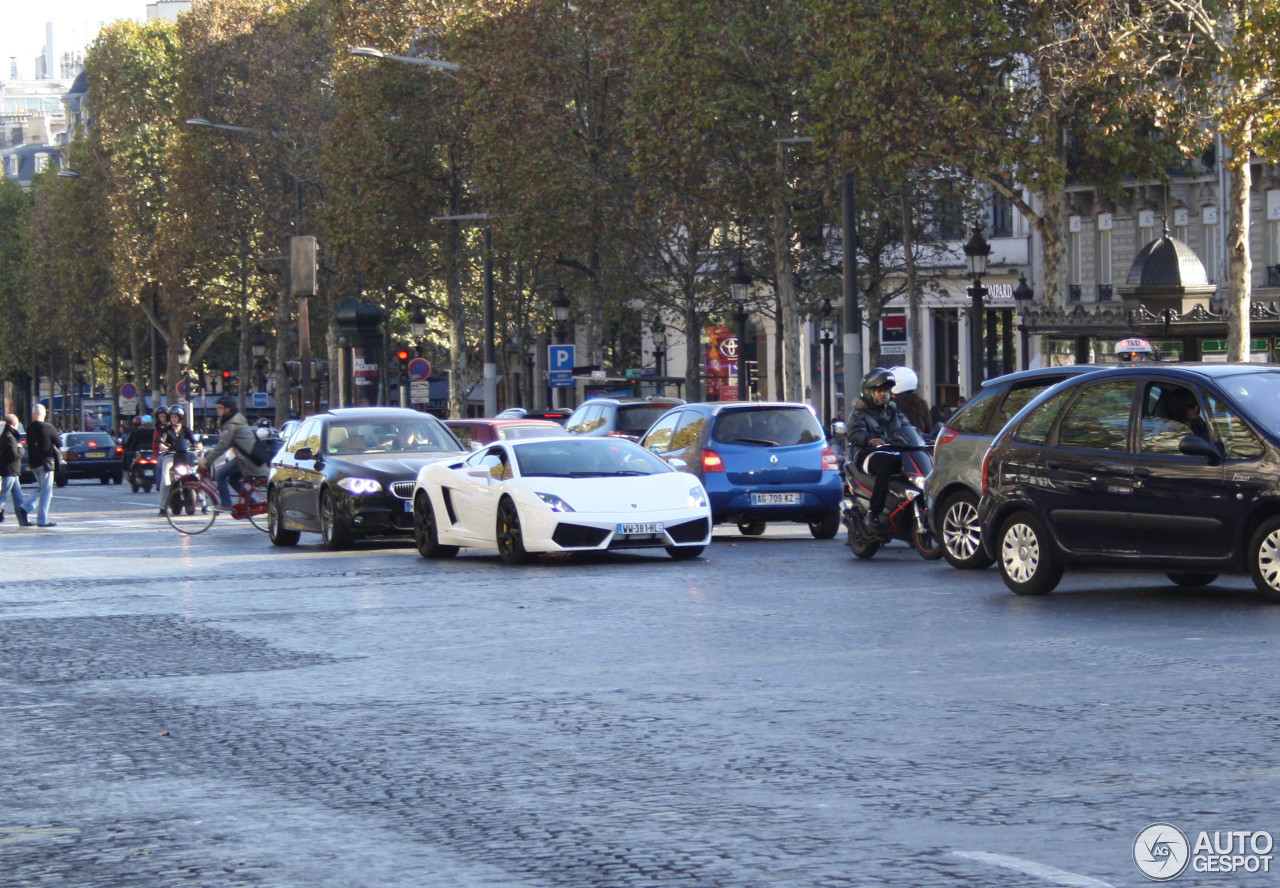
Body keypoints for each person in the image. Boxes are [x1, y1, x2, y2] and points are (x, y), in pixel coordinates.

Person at [849, 368, 913, 531]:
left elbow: (908, 428)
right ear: (869, 392)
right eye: (879, 390)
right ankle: (874, 512)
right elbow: (855, 432)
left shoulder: (893, 411)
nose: (883, 393)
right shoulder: (859, 412)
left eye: (886, 390)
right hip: (867, 454)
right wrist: (869, 439)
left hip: (893, 450)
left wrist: (926, 438)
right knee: (886, 462)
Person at [198, 396, 266, 509]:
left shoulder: (230, 424)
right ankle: (253, 503)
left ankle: (226, 503)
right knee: (232, 479)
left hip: (246, 459)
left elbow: (223, 445)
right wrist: (212, 451)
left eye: (220, 408)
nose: (217, 410)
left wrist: (207, 460)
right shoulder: (235, 420)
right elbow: (226, 443)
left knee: (220, 475)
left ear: (228, 409)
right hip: (247, 457)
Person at [21, 404, 61, 527]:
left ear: (33, 414)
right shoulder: (48, 427)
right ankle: (41, 519)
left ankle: (26, 507)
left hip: (33, 463)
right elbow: (59, 442)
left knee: (42, 488)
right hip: (46, 463)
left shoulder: (29, 428)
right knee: (47, 491)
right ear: (44, 414)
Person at [157, 410, 197, 515]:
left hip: (185, 457)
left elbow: (194, 441)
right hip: (170, 456)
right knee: (165, 476)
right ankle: (162, 506)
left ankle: (203, 503)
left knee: (197, 473)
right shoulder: (166, 430)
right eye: (172, 417)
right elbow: (161, 441)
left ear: (180, 418)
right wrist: (163, 446)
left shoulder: (186, 429)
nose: (173, 419)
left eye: (175, 417)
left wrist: (198, 445)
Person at [1, 414, 30, 525]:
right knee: (3, 496)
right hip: (10, 470)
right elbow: (13, 456)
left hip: (12, 471)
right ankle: (23, 521)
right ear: (14, 424)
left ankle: (23, 521)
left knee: (18, 498)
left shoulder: (7, 435)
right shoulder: (9, 437)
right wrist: (21, 449)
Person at [889, 366, 933, 438]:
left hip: (899, 444)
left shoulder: (891, 405)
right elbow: (928, 429)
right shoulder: (922, 402)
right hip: (920, 442)